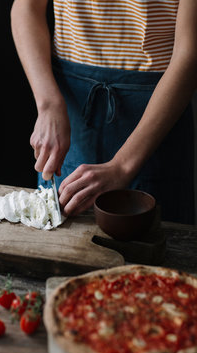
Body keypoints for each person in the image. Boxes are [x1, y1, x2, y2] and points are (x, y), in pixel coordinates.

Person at [11, 0, 197, 224]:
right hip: (70, 107)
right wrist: (48, 104)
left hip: (157, 109)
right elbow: (26, 8)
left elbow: (189, 53)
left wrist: (122, 166)